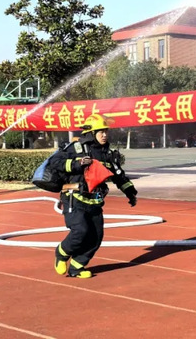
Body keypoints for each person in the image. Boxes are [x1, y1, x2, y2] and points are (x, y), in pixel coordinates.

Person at [49, 114, 138, 279]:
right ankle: (62, 253)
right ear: (91, 133)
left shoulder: (107, 154)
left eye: (106, 131)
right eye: (101, 131)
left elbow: (119, 176)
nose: (105, 135)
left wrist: (130, 192)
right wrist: (77, 164)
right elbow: (55, 162)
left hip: (95, 201)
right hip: (74, 198)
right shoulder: (76, 148)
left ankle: (77, 267)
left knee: (96, 236)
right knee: (81, 230)